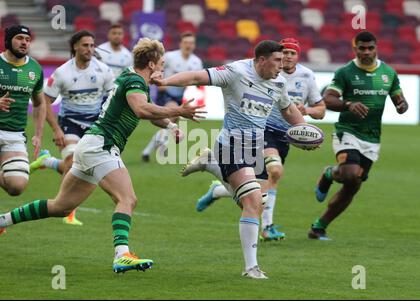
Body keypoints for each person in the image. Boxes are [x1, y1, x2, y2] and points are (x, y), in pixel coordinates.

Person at [0, 37, 205, 272]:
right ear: (151, 64)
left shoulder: (134, 79)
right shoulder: (135, 82)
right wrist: (179, 110)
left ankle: (3, 220)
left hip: (91, 145)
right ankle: (122, 254)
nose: (162, 67)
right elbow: (141, 109)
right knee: (127, 199)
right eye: (161, 63)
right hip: (102, 146)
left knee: (61, 207)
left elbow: (148, 110)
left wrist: (170, 125)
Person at [151, 40, 306, 279]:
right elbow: (195, 77)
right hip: (231, 144)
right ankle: (251, 268)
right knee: (253, 200)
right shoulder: (235, 72)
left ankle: (210, 165)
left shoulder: (279, 82)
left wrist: (305, 130)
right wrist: (165, 81)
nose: (282, 64)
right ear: (262, 60)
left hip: (255, 148)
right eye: (277, 60)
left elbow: (287, 110)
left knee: (256, 204)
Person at [189, 38, 326, 241]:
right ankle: (267, 227)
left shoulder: (307, 75)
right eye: (284, 53)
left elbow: (320, 110)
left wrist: (307, 113)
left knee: (256, 192)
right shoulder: (262, 72)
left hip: (285, 135)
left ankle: (218, 189)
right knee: (275, 170)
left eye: (292, 53)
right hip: (263, 130)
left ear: (298, 56)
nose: (287, 57)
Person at [309, 31, 408, 240]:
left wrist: (401, 105)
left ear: (376, 48)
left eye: (370, 48)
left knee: (353, 185)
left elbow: (398, 97)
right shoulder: (345, 72)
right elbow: (327, 99)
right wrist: (349, 104)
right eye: (361, 48)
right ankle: (329, 173)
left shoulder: (388, 73)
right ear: (355, 49)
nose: (366, 52)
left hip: (372, 138)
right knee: (350, 173)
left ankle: (319, 227)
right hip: (348, 131)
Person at [29, 30, 115, 226]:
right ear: (75, 46)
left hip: (95, 125)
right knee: (72, 163)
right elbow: (45, 102)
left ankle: (47, 161)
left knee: (80, 166)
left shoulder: (103, 70)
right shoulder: (62, 72)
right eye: (85, 45)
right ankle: (68, 210)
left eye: (92, 45)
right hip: (70, 124)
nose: (89, 49)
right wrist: (57, 130)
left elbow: (113, 99)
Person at [0, 25, 46, 205]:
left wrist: (38, 134)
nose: (24, 43)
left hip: (14, 135)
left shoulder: (34, 68)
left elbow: (40, 103)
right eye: (19, 38)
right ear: (8, 40)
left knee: (16, 187)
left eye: (27, 40)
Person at [141, 32, 203, 161]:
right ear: (181, 43)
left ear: (194, 45)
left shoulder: (196, 62)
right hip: (166, 93)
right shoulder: (170, 57)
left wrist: (196, 84)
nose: (188, 45)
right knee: (171, 119)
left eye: (191, 43)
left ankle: (148, 151)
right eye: (186, 42)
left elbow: (198, 81)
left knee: (171, 122)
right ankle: (162, 146)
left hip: (179, 96)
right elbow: (157, 67)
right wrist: (160, 82)